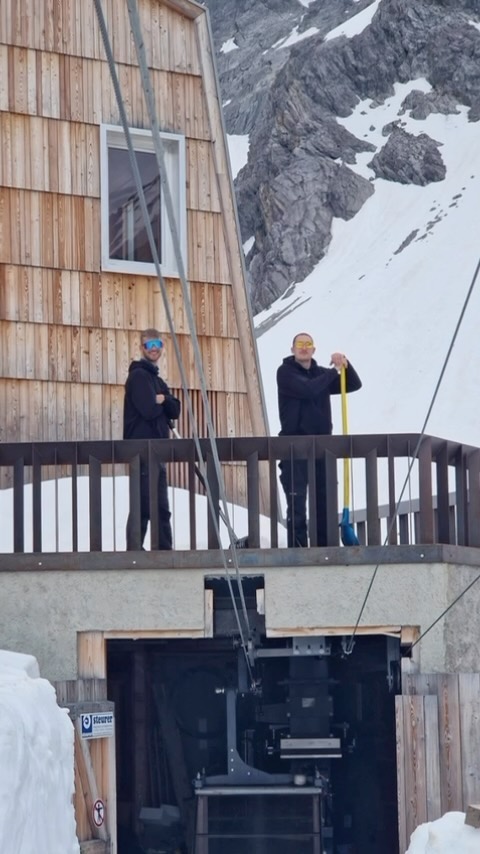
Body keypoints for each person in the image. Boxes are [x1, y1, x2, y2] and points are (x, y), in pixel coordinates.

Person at [277, 332, 362, 547]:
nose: (304, 347)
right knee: (296, 504)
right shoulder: (285, 372)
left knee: (324, 502)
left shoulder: (321, 374)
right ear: (292, 349)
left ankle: (325, 550)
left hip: (323, 448)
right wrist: (334, 371)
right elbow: (308, 390)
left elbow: (353, 384)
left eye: (308, 344)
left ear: (314, 350)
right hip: (293, 447)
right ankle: (297, 551)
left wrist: (345, 365)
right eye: (300, 344)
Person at [123, 329, 181, 550]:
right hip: (142, 451)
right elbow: (147, 409)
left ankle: (164, 551)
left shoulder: (156, 380)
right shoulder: (138, 376)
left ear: (162, 347)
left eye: (157, 344)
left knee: (160, 506)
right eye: (149, 344)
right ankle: (135, 552)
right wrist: (161, 404)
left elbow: (175, 410)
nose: (154, 348)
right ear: (142, 348)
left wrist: (163, 399)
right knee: (143, 504)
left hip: (157, 451)